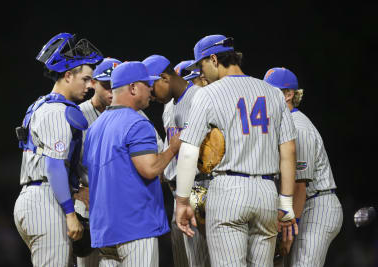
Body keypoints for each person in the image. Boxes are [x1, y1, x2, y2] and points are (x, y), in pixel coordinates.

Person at [174, 34, 298, 267]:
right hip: (266, 192)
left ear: (213, 59)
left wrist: (182, 202)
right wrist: (286, 201)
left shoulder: (207, 93)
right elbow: (288, 149)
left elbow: (189, 150)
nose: (201, 73)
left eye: (201, 65)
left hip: (228, 189)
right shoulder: (272, 92)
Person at [13, 32, 103, 266]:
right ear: (67, 75)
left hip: (37, 197)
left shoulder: (41, 104)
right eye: (84, 79)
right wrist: (70, 214)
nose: (89, 85)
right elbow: (54, 167)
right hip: (45, 200)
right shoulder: (56, 111)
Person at [83, 61, 181, 266]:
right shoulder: (136, 122)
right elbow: (150, 169)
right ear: (133, 88)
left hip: (103, 229)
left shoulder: (95, 126)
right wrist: (172, 148)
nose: (150, 90)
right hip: (135, 226)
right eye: (147, 84)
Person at [264, 67, 343, 267]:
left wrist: (291, 227)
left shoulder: (298, 127)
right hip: (301, 204)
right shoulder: (281, 123)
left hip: (317, 206)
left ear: (289, 94)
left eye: (272, 91)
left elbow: (299, 185)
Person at [143, 55, 211, 267]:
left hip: (199, 187)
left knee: (201, 260)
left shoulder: (201, 97)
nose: (151, 95)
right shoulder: (169, 106)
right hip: (178, 193)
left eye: (151, 88)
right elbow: (169, 146)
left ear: (164, 77)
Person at [75, 57, 122, 267]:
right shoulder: (77, 115)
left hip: (120, 205)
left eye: (116, 85)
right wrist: (75, 190)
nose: (111, 91)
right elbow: (61, 163)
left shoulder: (132, 112)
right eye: (106, 85)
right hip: (88, 206)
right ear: (93, 83)